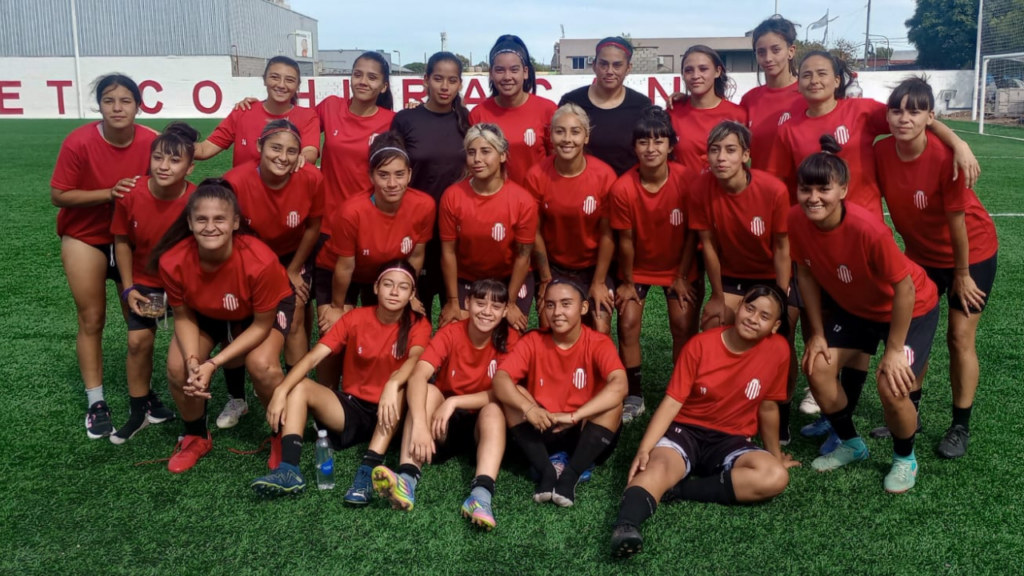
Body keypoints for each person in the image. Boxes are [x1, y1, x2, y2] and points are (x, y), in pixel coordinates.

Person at [791, 137, 940, 493]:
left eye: (823, 189)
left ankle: (905, 459)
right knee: (817, 366)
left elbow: (905, 290)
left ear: (843, 190)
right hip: (857, 308)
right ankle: (851, 444)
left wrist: (894, 349)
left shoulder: (868, 229)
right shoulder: (795, 220)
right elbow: (805, 274)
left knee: (891, 385)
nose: (813, 197)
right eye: (805, 189)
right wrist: (817, 333)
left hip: (911, 308)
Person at [610, 285, 798, 559]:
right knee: (655, 468)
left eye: (764, 316)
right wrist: (644, 449)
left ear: (775, 326)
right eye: (749, 308)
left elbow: (768, 408)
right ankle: (625, 527)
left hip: (732, 440)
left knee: (775, 476)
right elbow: (672, 402)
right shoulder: (701, 345)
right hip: (685, 431)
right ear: (739, 307)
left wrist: (775, 455)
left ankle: (678, 490)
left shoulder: (778, 350)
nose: (753, 318)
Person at [875, 77, 998, 458]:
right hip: (920, 256)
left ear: (930, 117)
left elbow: (957, 225)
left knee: (959, 337)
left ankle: (960, 426)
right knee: (916, 336)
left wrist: (962, 275)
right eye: (897, 111)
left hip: (971, 254)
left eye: (915, 112)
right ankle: (911, 412)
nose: (904, 118)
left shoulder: (946, 159)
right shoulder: (881, 151)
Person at [250, 261, 431, 504]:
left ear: (412, 294)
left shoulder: (419, 324)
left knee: (401, 384)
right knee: (300, 386)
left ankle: (365, 474)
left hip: (392, 413)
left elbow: (416, 359)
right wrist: (281, 390)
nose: (395, 292)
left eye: (403, 287)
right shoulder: (355, 317)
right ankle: (289, 469)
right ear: (376, 287)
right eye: (388, 284)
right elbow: (314, 357)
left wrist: (392, 383)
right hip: (352, 409)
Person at [151, 180, 293, 474]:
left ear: (235, 222)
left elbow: (261, 325)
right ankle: (196, 436)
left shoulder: (260, 261)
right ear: (190, 223)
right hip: (206, 311)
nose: (210, 227)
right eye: (201, 219)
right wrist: (193, 361)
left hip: (257, 315)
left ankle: (283, 434)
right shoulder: (173, 260)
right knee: (178, 368)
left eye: (219, 219)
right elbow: (183, 316)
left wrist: (213, 363)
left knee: (262, 365)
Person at [50, 73, 160, 439]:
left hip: (134, 238)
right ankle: (96, 401)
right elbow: (59, 195)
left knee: (141, 320)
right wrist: (108, 193)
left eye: (125, 101)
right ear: (99, 105)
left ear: (138, 106)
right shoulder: (78, 141)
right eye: (109, 101)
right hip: (86, 237)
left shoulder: (151, 140)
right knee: (92, 318)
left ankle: (144, 395)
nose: (117, 108)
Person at [372, 279, 519, 530]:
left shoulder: (512, 339)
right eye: (480, 303)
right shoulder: (451, 332)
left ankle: (481, 496)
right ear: (467, 303)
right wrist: (421, 424)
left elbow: (505, 392)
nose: (487, 312)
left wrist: (455, 400)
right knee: (428, 391)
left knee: (495, 410)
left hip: (482, 429)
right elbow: (418, 375)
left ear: (505, 311)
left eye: (496, 307)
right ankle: (407, 477)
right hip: (443, 426)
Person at [767, 51, 980, 218]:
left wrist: (959, 144)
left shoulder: (862, 110)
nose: (814, 80)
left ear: (837, 80)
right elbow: (779, 183)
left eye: (822, 73)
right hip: (816, 226)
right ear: (799, 83)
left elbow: (916, 119)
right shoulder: (788, 130)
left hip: (866, 223)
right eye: (806, 75)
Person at [688, 121, 797, 443]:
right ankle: (722, 407)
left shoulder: (773, 189)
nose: (721, 158)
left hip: (771, 275)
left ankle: (783, 411)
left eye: (730, 150)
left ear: (746, 155)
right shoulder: (700, 188)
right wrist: (717, 295)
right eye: (714, 150)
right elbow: (708, 246)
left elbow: (782, 247)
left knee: (782, 340)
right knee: (714, 324)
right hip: (733, 276)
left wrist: (781, 296)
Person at [222, 119, 324, 427]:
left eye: (291, 151)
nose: (283, 157)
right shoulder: (235, 181)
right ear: (259, 147)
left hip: (292, 257)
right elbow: (227, 233)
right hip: (247, 258)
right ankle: (237, 399)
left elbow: (313, 227)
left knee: (296, 314)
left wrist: (292, 270)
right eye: (275, 148)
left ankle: (298, 393)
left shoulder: (311, 177)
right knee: (237, 320)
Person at [314, 133, 436, 389]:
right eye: (383, 175)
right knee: (333, 334)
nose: (392, 183)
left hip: (383, 274)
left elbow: (416, 255)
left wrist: (411, 293)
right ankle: (326, 398)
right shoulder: (352, 211)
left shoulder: (424, 205)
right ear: (371, 176)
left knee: (388, 329)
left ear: (409, 175)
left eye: (399, 174)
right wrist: (337, 307)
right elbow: (345, 267)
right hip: (339, 273)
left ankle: (379, 390)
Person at [492, 279, 627, 507]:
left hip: (584, 432)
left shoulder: (598, 342)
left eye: (566, 304)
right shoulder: (533, 340)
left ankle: (570, 475)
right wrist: (529, 408)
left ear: (583, 308)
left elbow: (620, 385)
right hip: (542, 427)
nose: (557, 312)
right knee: (514, 395)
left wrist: (575, 415)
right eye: (550, 305)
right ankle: (546, 471)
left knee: (614, 404)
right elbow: (500, 379)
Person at [109, 122, 199, 443]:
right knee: (138, 343)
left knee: (188, 353)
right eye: (158, 157)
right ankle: (140, 412)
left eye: (174, 160)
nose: (164, 166)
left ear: (189, 167)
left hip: (186, 287)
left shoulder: (196, 199)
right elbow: (122, 241)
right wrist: (129, 287)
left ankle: (196, 421)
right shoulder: (131, 194)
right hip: (146, 285)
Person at [611, 106, 699, 424]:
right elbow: (625, 241)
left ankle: (680, 394)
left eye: (658, 141)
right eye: (644, 142)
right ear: (634, 147)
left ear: (670, 146)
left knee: (683, 324)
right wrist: (627, 282)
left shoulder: (687, 179)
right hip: (638, 269)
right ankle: (634, 395)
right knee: (627, 323)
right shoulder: (623, 187)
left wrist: (681, 276)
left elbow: (692, 233)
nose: (651, 148)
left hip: (678, 268)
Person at [525, 103, 618, 335]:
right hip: (554, 267)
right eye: (560, 131)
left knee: (600, 325)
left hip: (593, 268)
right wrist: (545, 278)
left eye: (575, 132)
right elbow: (534, 231)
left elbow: (608, 233)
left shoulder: (604, 175)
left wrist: (598, 282)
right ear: (550, 136)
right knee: (550, 324)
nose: (567, 139)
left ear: (586, 137)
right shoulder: (536, 175)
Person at [391, 52, 471, 318]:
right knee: (413, 312)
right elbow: (393, 169)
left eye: (452, 80)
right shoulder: (406, 119)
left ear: (460, 84)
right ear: (425, 79)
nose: (445, 87)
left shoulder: (466, 120)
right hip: (415, 227)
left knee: (457, 313)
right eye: (438, 78)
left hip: (456, 229)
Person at [439, 124, 538, 332]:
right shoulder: (452, 196)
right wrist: (453, 301)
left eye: (485, 151)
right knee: (457, 332)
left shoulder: (522, 200)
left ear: (502, 156)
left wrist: (510, 303)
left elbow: (523, 256)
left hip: (509, 278)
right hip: (468, 278)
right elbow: (448, 252)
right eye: (471, 152)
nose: (477, 159)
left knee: (511, 335)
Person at [194, 57, 320, 167]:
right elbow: (204, 150)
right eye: (275, 77)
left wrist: (301, 158)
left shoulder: (307, 116)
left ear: (298, 85)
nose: (281, 85)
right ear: (264, 79)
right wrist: (181, 143)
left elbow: (310, 152)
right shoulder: (243, 111)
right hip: (243, 187)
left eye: (289, 80)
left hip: (286, 187)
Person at [469, 35, 556, 185]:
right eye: (500, 70)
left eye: (514, 70)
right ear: (491, 74)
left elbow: (557, 163)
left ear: (525, 72)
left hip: (538, 197)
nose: (507, 77)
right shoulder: (478, 114)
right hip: (492, 198)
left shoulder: (548, 110)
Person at [317, 51, 397, 214]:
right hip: (329, 217)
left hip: (370, 216)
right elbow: (298, 125)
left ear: (384, 87)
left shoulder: (394, 121)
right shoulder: (331, 106)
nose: (363, 82)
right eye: (357, 75)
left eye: (372, 77)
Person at [558, 37, 651, 176]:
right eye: (603, 64)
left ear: (628, 68)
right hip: (583, 185)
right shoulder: (572, 101)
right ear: (594, 65)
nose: (609, 71)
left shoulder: (642, 105)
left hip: (627, 186)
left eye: (617, 65)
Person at [667, 45, 747, 173]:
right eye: (688, 70)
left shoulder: (738, 114)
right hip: (683, 186)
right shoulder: (673, 112)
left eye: (703, 69)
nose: (695, 75)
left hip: (722, 186)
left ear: (717, 71)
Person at [740, 15, 804, 171]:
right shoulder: (750, 100)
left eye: (776, 50)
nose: (768, 58)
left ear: (791, 51)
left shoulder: (808, 95)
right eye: (761, 52)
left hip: (805, 186)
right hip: (761, 185)